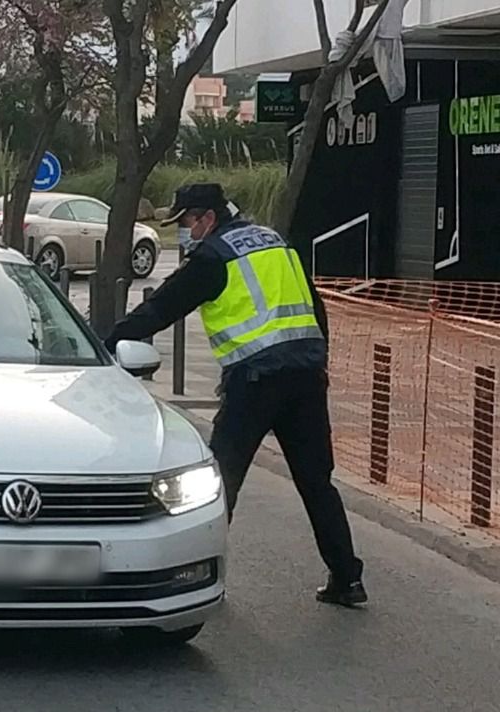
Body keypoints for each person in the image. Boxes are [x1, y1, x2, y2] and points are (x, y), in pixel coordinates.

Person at [105, 183, 367, 607]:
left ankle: (200, 578)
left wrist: (106, 340)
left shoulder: (214, 256)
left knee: (221, 481)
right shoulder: (277, 243)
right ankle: (347, 579)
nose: (185, 232)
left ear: (207, 218)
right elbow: (317, 310)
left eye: (187, 222)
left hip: (255, 381)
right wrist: (319, 363)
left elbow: (162, 308)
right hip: (304, 375)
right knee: (317, 482)